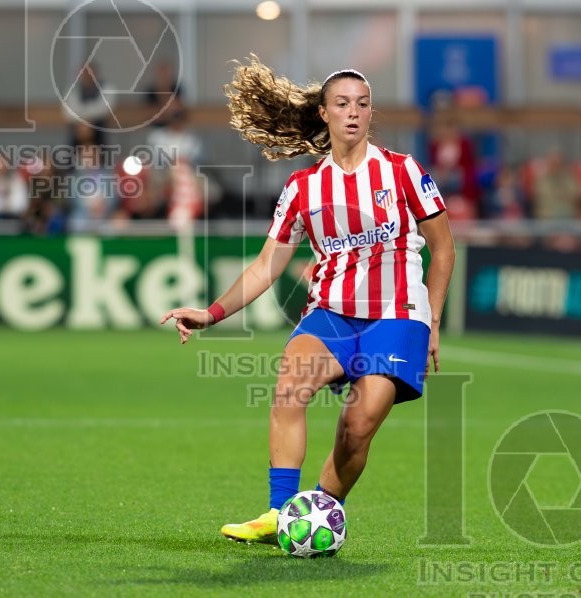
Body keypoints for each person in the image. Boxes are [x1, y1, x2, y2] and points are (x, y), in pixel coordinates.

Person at [160, 56, 456, 543]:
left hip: (398, 316)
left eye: (362, 104)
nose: (353, 112)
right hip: (330, 313)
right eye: (342, 104)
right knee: (288, 389)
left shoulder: (403, 172)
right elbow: (265, 266)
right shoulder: (303, 188)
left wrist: (435, 321)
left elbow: (443, 248)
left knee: (356, 428)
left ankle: (320, 513)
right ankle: (280, 515)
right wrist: (211, 313)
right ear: (324, 113)